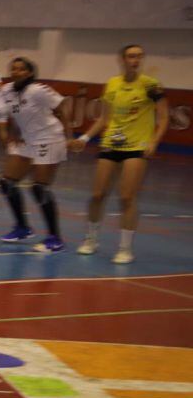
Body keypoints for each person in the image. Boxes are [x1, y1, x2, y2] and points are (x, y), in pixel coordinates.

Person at [70, 44, 168, 264]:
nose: (135, 60)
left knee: (126, 197)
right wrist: (84, 139)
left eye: (139, 56)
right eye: (131, 56)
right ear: (122, 59)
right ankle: (91, 240)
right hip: (110, 144)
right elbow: (104, 118)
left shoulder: (151, 85)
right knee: (97, 195)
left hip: (136, 146)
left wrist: (154, 141)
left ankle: (125, 248)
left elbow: (163, 118)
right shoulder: (113, 84)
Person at [0, 57, 71, 253]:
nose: (16, 72)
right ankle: (22, 227)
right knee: (7, 183)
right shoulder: (7, 90)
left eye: (21, 69)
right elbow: (14, 114)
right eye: (13, 69)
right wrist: (13, 132)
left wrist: (70, 138)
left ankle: (55, 237)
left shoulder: (38, 90)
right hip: (27, 139)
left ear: (29, 73)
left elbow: (61, 110)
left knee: (39, 188)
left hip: (49, 138)